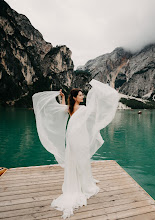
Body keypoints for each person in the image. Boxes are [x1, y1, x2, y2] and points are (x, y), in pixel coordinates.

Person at [32, 79, 119, 219]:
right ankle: (84, 183)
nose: (82, 96)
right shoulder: (83, 109)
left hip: (72, 136)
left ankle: (78, 181)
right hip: (80, 136)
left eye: (82, 95)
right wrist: (104, 95)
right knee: (82, 159)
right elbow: (95, 111)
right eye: (80, 95)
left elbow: (61, 107)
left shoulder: (70, 108)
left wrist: (61, 97)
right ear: (74, 97)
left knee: (74, 159)